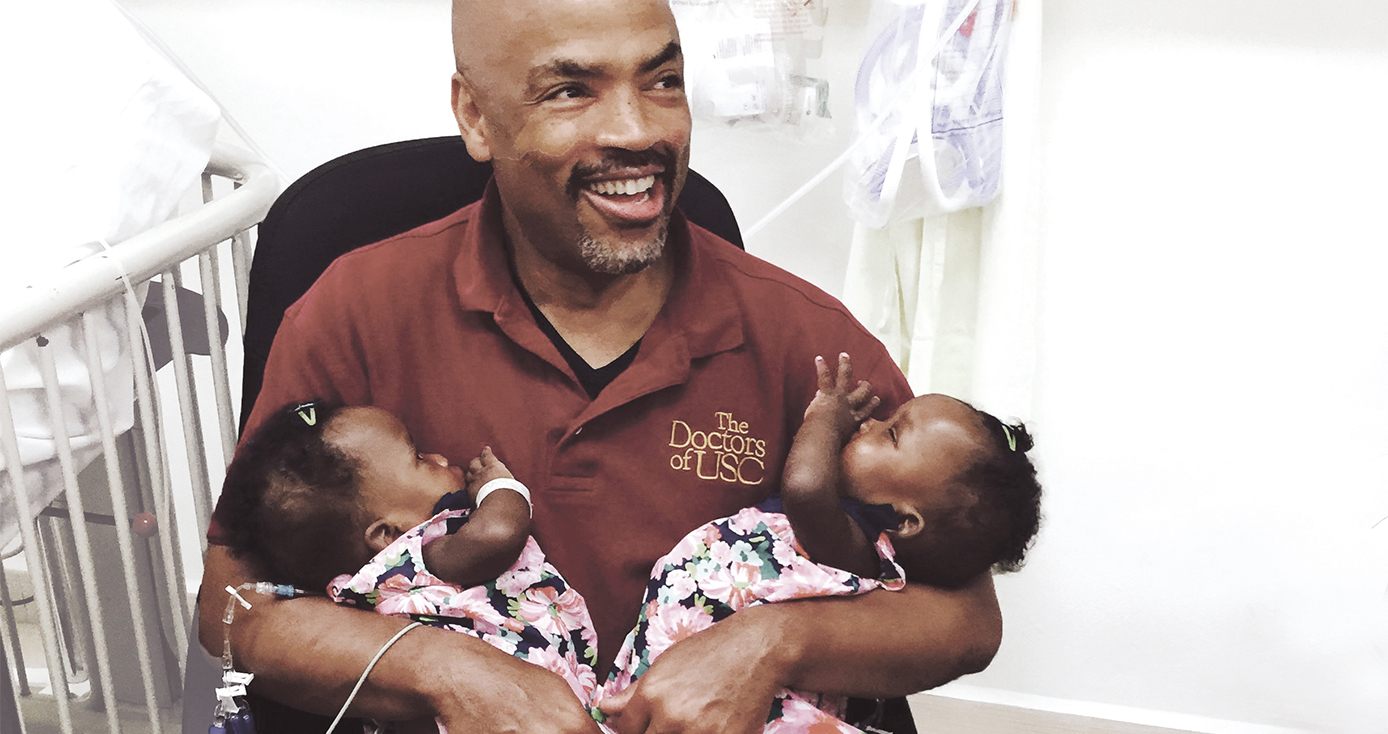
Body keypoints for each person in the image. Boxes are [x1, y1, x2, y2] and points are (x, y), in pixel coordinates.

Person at [197, 0, 1005, 732]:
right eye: (571, 91)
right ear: (477, 117)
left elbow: (966, 621)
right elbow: (230, 607)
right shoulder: (355, 312)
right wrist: (446, 672)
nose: (637, 130)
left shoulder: (808, 344)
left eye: (663, 81)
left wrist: (773, 644)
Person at [597, 354, 1042, 732]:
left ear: (906, 522)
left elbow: (806, 488)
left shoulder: (860, 548)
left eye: (890, 434)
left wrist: (825, 418)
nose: (868, 422)